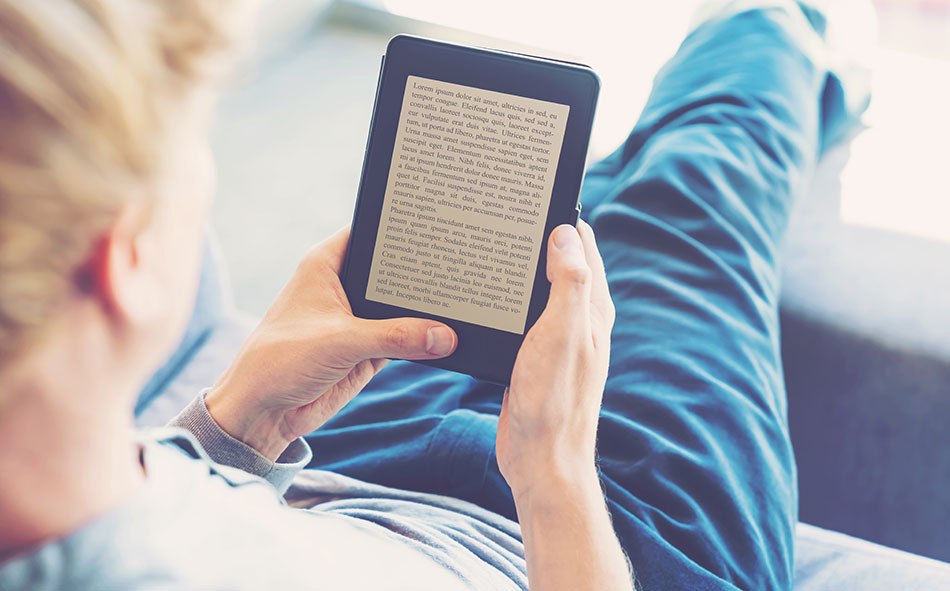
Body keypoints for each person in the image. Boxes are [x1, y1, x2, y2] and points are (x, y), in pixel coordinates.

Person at [0, 0, 867, 589]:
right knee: (696, 185)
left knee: (561, 212)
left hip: (335, 465)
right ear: (127, 256)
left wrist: (237, 422)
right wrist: (556, 470)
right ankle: (781, 26)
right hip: (606, 543)